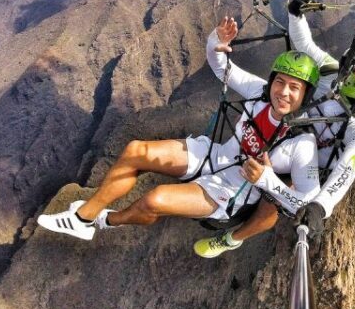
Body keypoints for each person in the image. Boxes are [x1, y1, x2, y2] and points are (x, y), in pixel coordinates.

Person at [37, 16, 321, 252]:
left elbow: (307, 201)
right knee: (136, 150)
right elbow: (221, 66)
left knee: (154, 199)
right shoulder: (259, 93)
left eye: (294, 88)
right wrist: (216, 41)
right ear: (272, 82)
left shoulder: (302, 142)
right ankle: (83, 217)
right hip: (213, 155)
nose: (284, 92)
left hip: (230, 191)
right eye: (280, 82)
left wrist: (268, 180)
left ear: (305, 95)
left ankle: (107, 220)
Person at [193, 0, 355, 257]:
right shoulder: (331, 72)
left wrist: (320, 207)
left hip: (312, 165)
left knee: (271, 205)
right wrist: (295, 15)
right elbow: (305, 45)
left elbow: (349, 167)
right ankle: (207, 178)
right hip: (290, 135)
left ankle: (233, 238)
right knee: (248, 130)